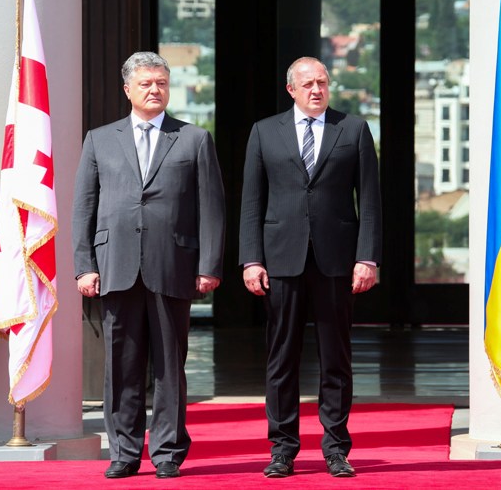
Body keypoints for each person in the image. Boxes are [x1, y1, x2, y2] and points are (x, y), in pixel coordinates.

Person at [72, 51, 225, 479]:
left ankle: (168, 452)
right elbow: (84, 206)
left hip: (173, 265)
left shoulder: (194, 139)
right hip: (114, 267)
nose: (155, 90)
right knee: (121, 365)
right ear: (128, 90)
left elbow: (212, 209)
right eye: (145, 83)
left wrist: (209, 265)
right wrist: (84, 265)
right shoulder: (99, 139)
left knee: (170, 367)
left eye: (161, 83)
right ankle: (123, 452)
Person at [239, 56, 382, 478]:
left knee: (336, 357)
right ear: (291, 89)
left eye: (322, 82)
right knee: (281, 358)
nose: (316, 90)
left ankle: (336, 448)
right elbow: (252, 201)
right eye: (308, 84)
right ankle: (282, 449)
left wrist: (367, 257)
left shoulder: (353, 129)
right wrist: (251, 259)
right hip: (281, 259)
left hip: (336, 261)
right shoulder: (264, 131)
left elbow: (370, 200)